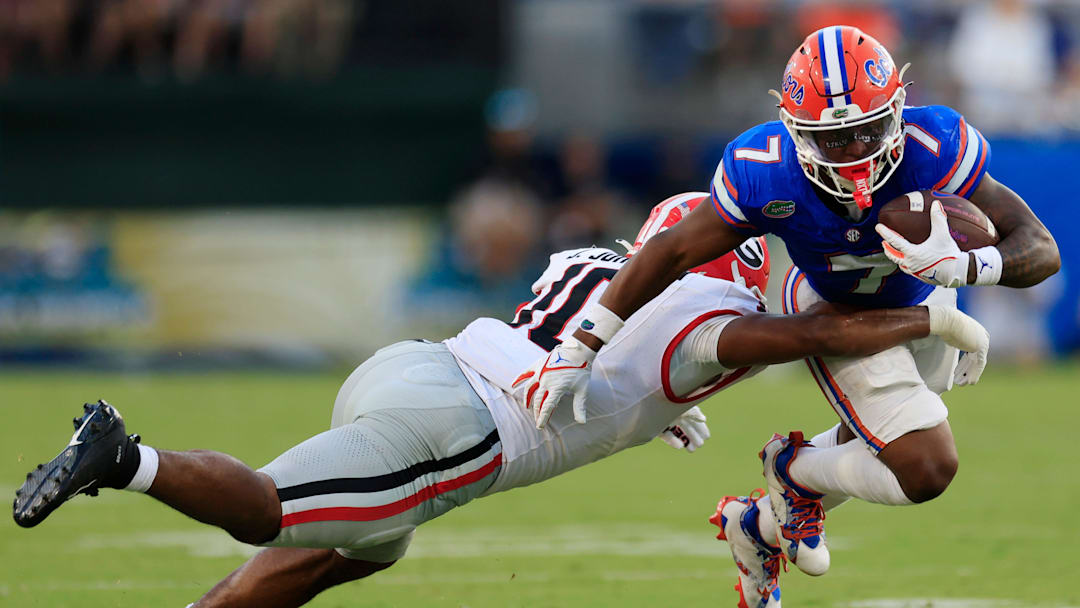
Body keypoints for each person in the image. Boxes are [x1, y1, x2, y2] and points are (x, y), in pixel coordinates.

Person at [13, 192, 989, 608]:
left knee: (332, 557)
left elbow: (597, 328)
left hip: (420, 366)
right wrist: (934, 315)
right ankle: (123, 455)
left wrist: (652, 401)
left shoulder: (622, 264)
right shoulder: (712, 308)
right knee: (274, 508)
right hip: (468, 425)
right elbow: (811, 332)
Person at [517, 26, 1060, 608]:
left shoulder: (936, 145)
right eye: (836, 139)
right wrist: (582, 345)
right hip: (836, 309)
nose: (857, 151)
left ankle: (759, 524)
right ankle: (794, 473)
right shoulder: (765, 170)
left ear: (898, 108)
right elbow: (671, 251)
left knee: (871, 443)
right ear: (796, 133)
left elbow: (1040, 247)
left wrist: (970, 265)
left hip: (923, 295)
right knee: (924, 466)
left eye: (869, 131)